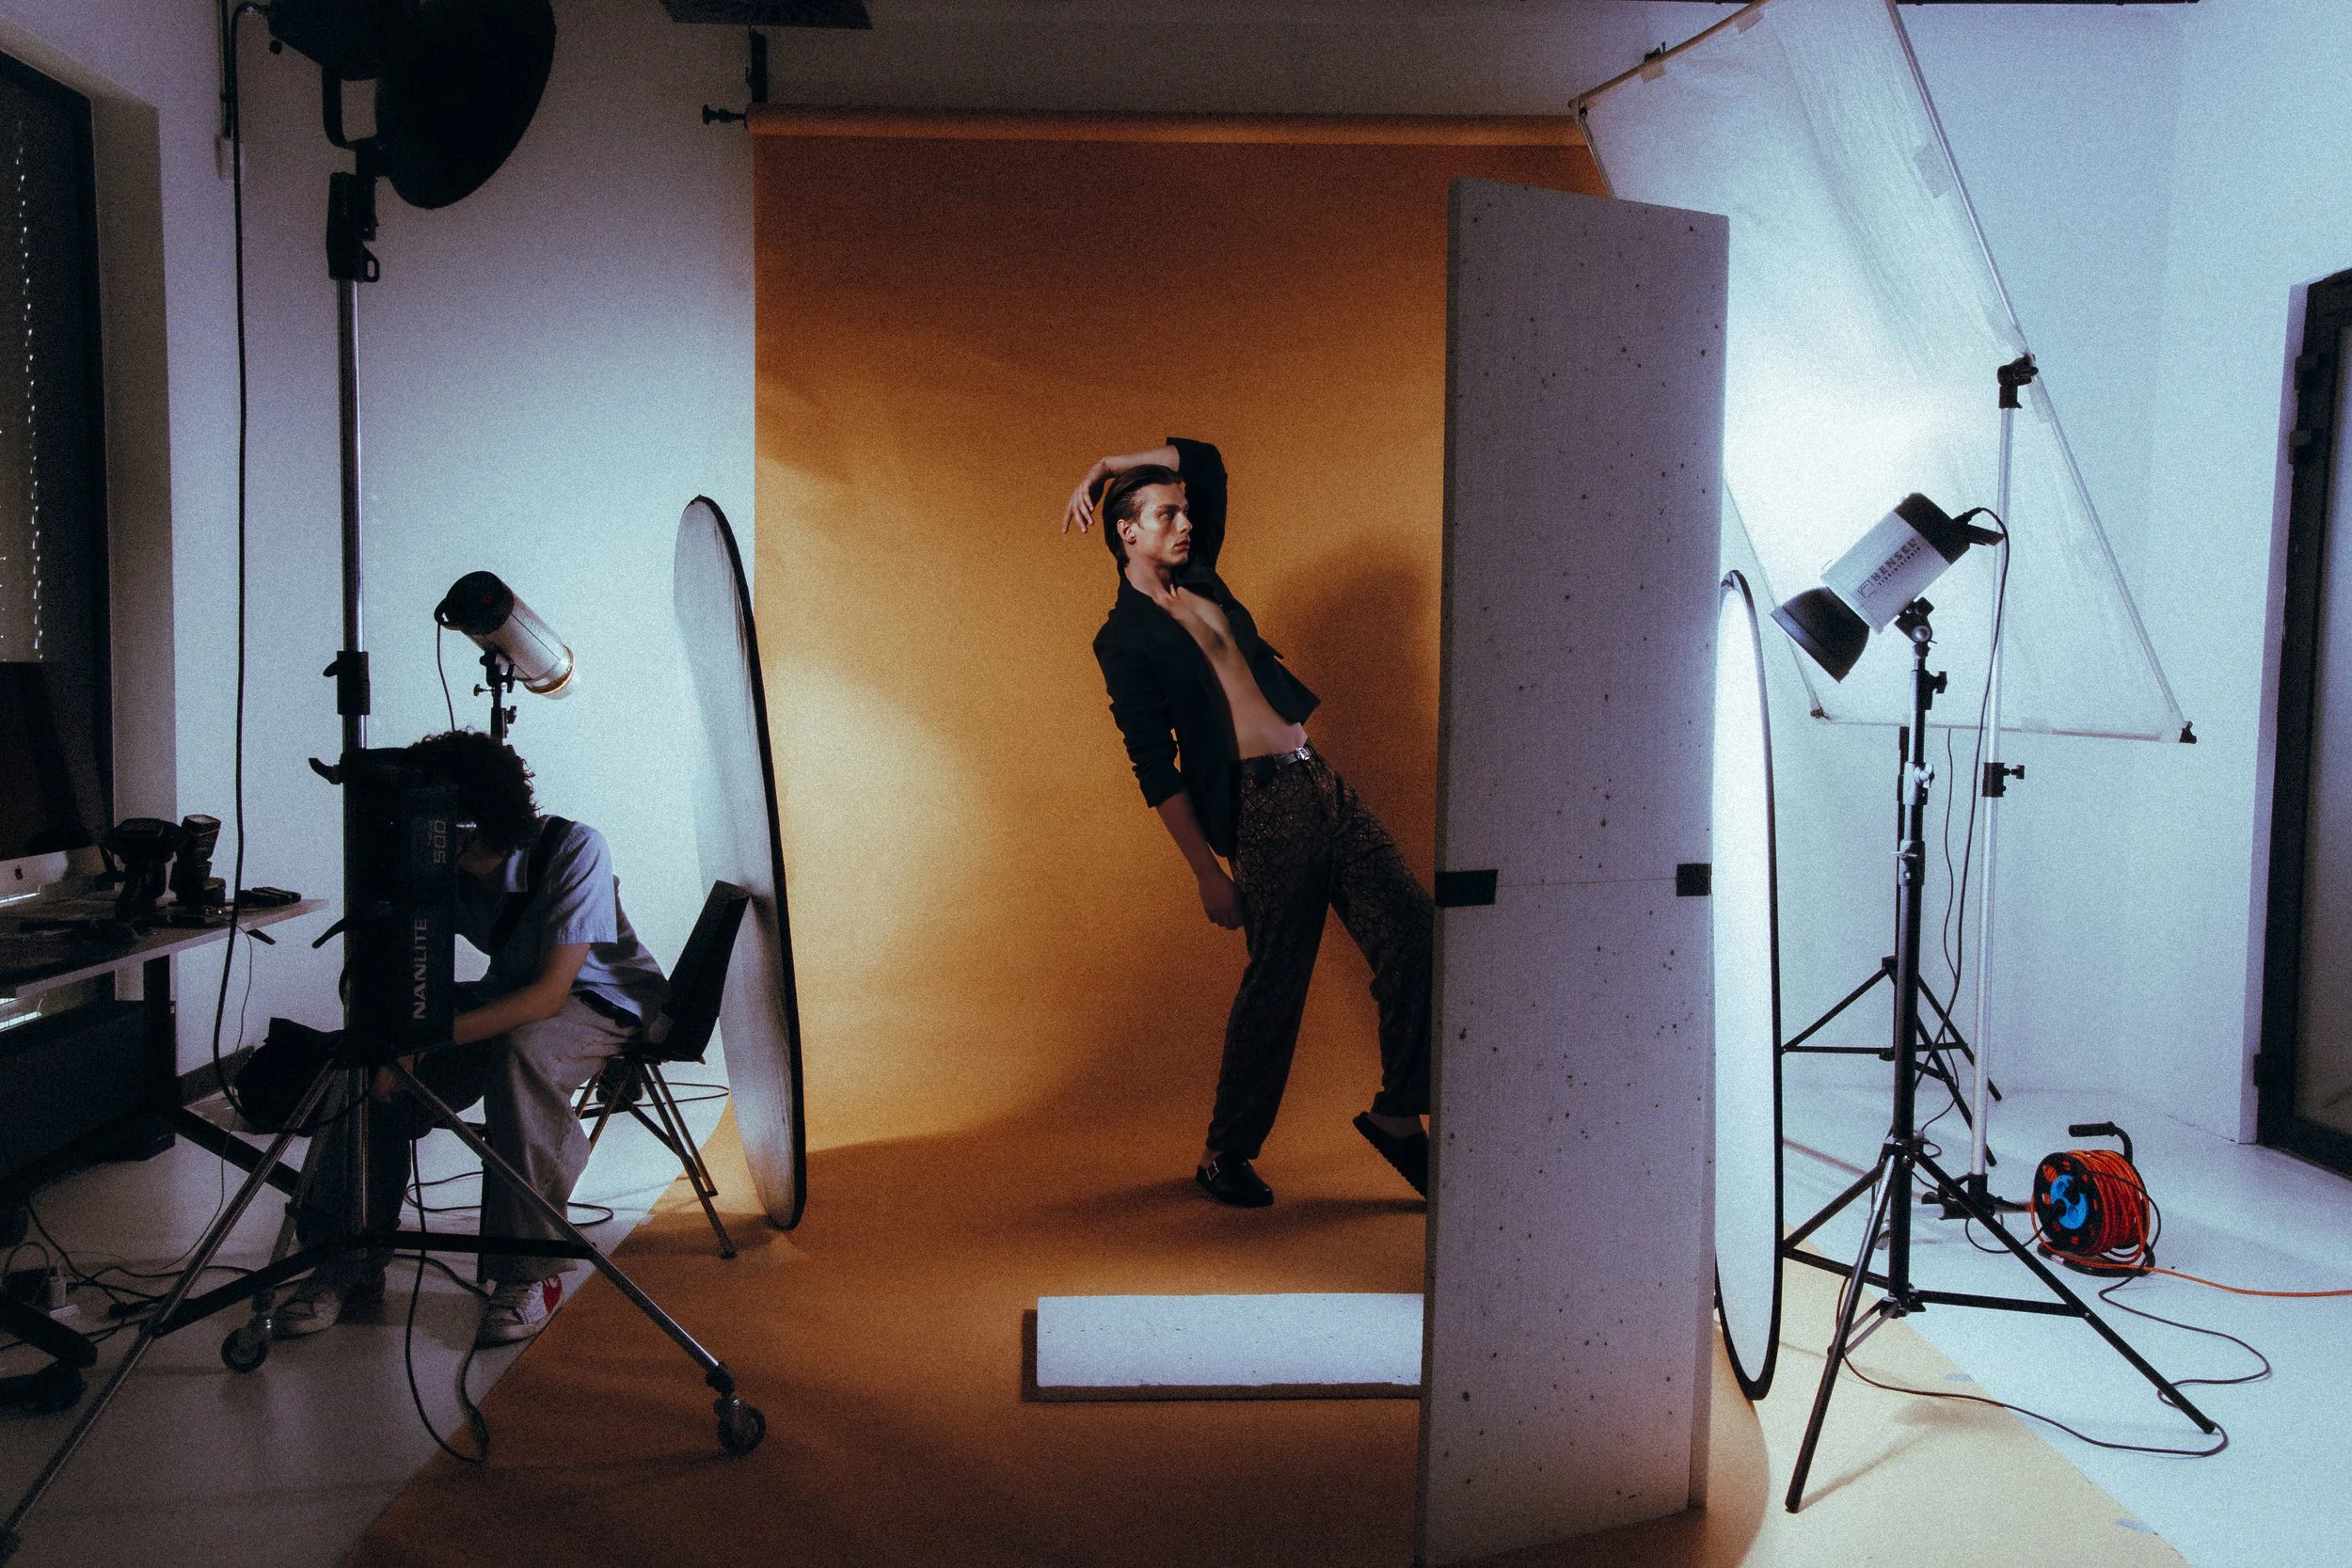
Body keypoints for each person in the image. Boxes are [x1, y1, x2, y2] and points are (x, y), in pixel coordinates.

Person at [1066, 437, 1433, 1207]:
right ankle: (1223, 1151)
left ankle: (1399, 1112)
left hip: (1320, 777)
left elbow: (1205, 457)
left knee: (1415, 932)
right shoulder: (1122, 638)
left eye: (1185, 513)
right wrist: (1207, 872)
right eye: (1166, 514)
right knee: (1277, 981)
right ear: (1127, 531)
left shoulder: (1203, 577)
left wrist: (1104, 466)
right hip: (1261, 808)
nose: (1185, 523)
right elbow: (1153, 764)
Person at [277, 730, 669, 1346]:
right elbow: (400, 968)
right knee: (366, 1050)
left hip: (602, 1000)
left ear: (470, 824)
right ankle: (347, 1256)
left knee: (523, 1054)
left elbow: (548, 994)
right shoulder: (439, 867)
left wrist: (424, 1040)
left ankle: (528, 1269)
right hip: (510, 992)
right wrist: (394, 1034)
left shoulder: (576, 848)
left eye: (435, 822)